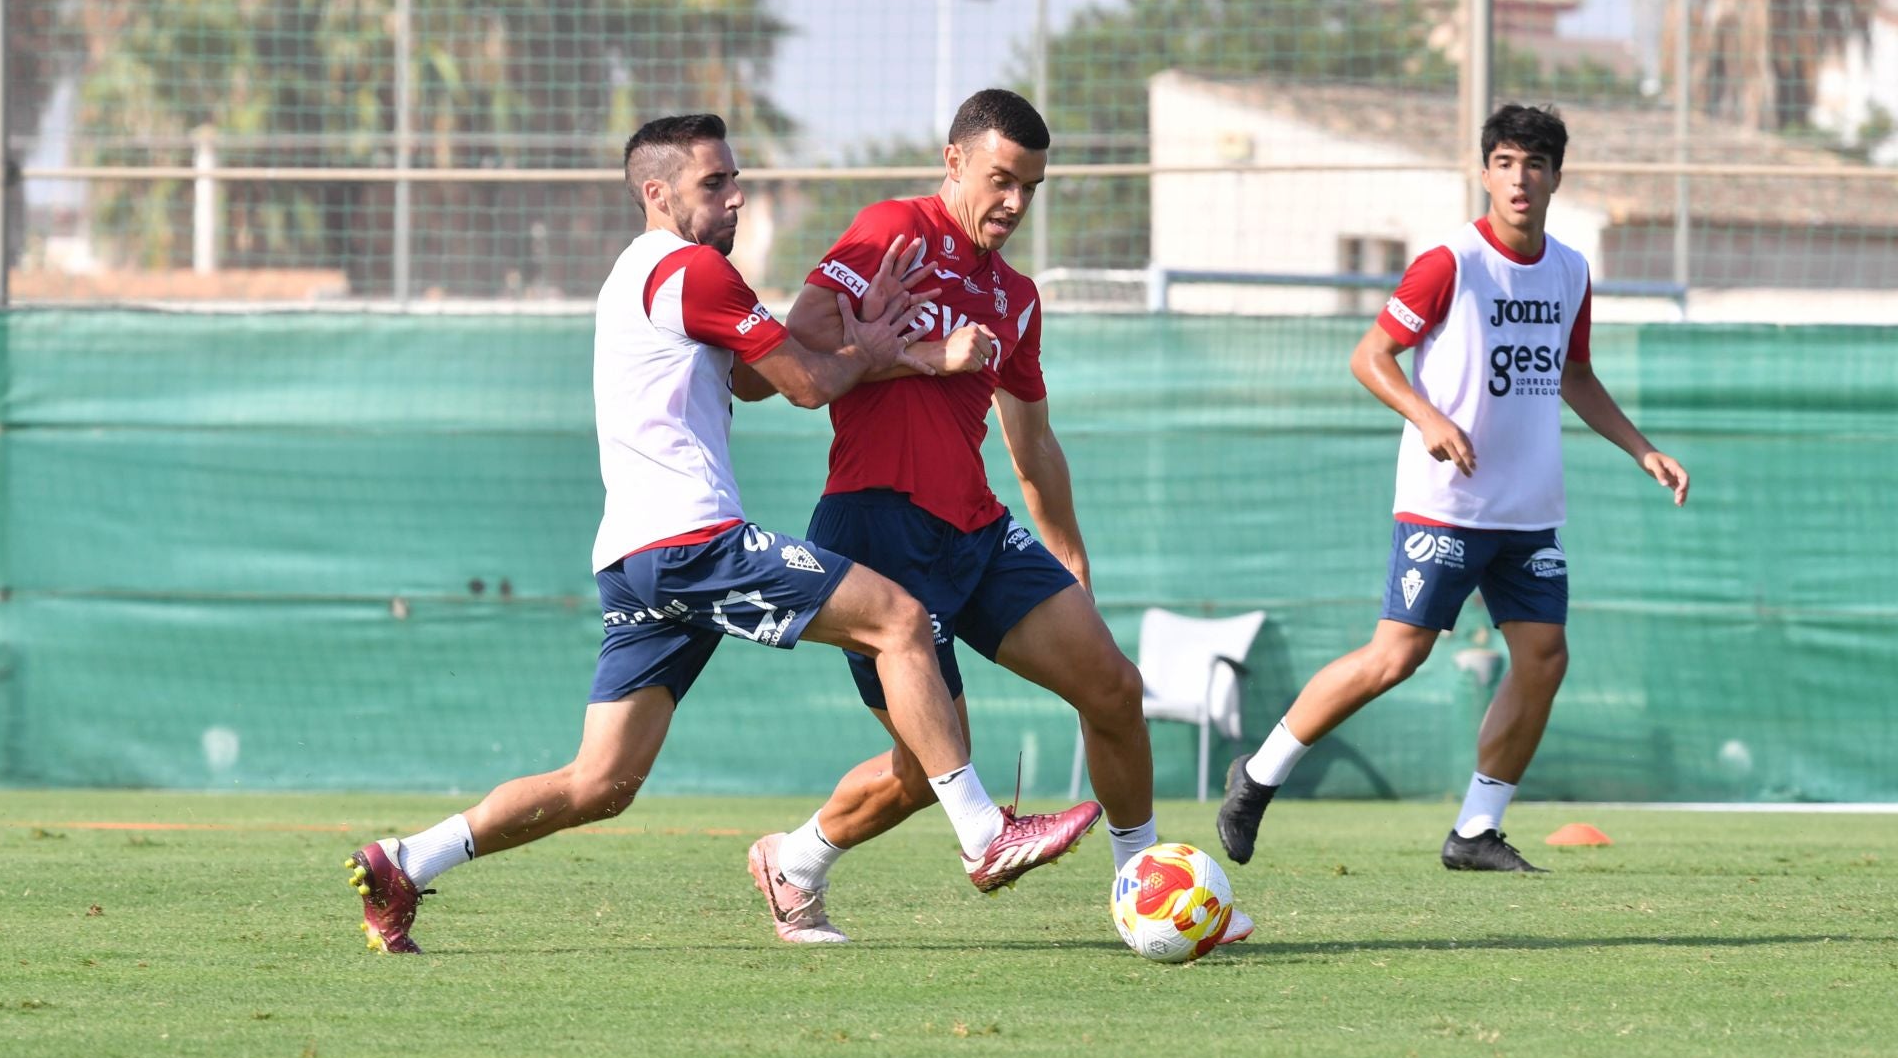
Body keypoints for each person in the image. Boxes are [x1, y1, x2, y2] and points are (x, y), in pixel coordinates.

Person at [345, 113, 1101, 953]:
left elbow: (752, 381)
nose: (735, 197)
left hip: (631, 557)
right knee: (899, 619)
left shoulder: (635, 274)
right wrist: (911, 357)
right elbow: (808, 386)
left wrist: (876, 347)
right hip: (690, 540)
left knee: (601, 782)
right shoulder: (698, 271)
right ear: (657, 192)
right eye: (716, 184)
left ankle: (408, 860)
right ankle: (982, 833)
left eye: (735, 179)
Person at [746, 88, 1250, 948]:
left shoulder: (1017, 296)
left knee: (1114, 688)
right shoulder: (887, 230)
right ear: (954, 162)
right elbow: (794, 357)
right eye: (1000, 179)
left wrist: (1070, 560)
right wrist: (919, 358)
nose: (1014, 203)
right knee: (923, 772)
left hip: (976, 530)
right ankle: (793, 864)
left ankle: (1144, 882)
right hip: (875, 527)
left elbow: (1036, 444)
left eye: (1031, 187)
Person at [1217, 103, 1690, 874]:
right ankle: (1259, 775)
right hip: (1448, 503)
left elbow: (1574, 375)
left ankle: (1476, 829)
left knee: (1544, 658)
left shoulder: (1570, 269)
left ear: (1556, 178)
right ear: (1485, 174)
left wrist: (1642, 450)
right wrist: (1426, 416)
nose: (1519, 179)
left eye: (1534, 164)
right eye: (1505, 163)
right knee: (1394, 658)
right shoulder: (1450, 263)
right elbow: (1370, 356)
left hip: (1530, 511)